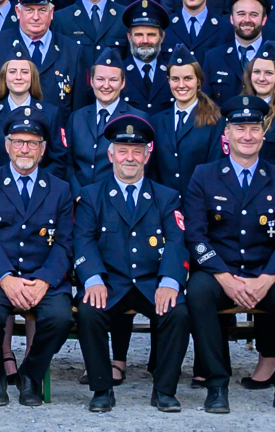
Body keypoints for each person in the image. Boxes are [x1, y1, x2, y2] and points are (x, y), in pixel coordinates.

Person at [182, 93, 275, 416]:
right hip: (221, 274)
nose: (247, 136)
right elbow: (195, 235)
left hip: (263, 274)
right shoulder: (204, 175)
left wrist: (267, 279)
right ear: (227, 133)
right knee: (196, 291)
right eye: (239, 129)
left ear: (264, 133)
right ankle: (216, 385)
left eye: (254, 128)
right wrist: (224, 278)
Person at [71, 113, 191, 412]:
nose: (130, 157)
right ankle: (101, 389)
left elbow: (177, 241)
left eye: (137, 151)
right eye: (123, 150)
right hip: (111, 281)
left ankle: (164, 390)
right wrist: (93, 278)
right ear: (110, 154)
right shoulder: (91, 196)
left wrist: (170, 281)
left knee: (176, 312)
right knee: (88, 310)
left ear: (147, 155)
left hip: (152, 281)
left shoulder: (166, 197)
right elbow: (83, 241)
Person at [0, 112, 76, 407]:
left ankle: (31, 374)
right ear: (7, 146)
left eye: (32, 143)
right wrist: (5, 277)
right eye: (18, 142)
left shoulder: (60, 188)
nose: (25, 149)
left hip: (43, 276)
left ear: (43, 149)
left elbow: (66, 242)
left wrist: (44, 280)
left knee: (61, 317)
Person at [0, 0, 88, 115]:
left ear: (51, 12)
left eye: (42, 10)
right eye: (29, 10)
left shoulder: (73, 51)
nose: (35, 17)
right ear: (18, 11)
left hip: (56, 134)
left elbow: (79, 112)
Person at [57, 48, 144, 188]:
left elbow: (142, 165)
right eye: (100, 79)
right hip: (81, 201)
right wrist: (78, 194)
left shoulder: (137, 118)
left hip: (116, 201)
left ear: (123, 83)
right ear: (91, 81)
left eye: (113, 80)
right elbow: (67, 162)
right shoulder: (76, 118)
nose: (106, 86)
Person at [149, 51, 222, 198]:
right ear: (168, 80)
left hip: (201, 204)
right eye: (175, 79)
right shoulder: (157, 121)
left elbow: (216, 168)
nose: (181, 85)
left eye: (188, 78)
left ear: (198, 81)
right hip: (165, 206)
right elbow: (153, 171)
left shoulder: (216, 120)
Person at [204, 0, 274, 104]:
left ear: (264, 19)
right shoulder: (213, 58)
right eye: (241, 14)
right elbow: (205, 107)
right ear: (231, 18)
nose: (247, 20)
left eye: (254, 14)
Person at [0, 57, 57, 166]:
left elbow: (57, 160)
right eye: (12, 72)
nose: (18, 77)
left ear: (32, 77)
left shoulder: (50, 113)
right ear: (4, 77)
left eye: (25, 72)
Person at [121, 0, 173, 113]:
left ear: (162, 37)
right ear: (129, 36)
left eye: (151, 35)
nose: (145, 41)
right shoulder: (118, 73)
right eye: (139, 35)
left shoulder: (173, 73)